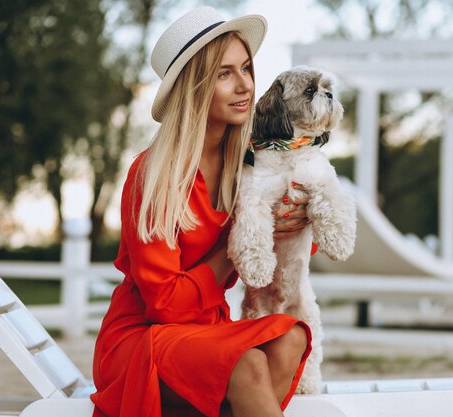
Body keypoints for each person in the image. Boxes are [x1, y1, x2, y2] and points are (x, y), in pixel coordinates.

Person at [91, 6, 313, 417]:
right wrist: (234, 245)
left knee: (291, 338)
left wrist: (292, 221)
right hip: (142, 340)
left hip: (207, 333)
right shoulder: (154, 175)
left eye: (246, 68)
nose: (245, 85)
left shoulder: (248, 163)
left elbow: (283, 253)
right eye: (224, 74)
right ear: (194, 87)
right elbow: (165, 306)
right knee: (245, 364)